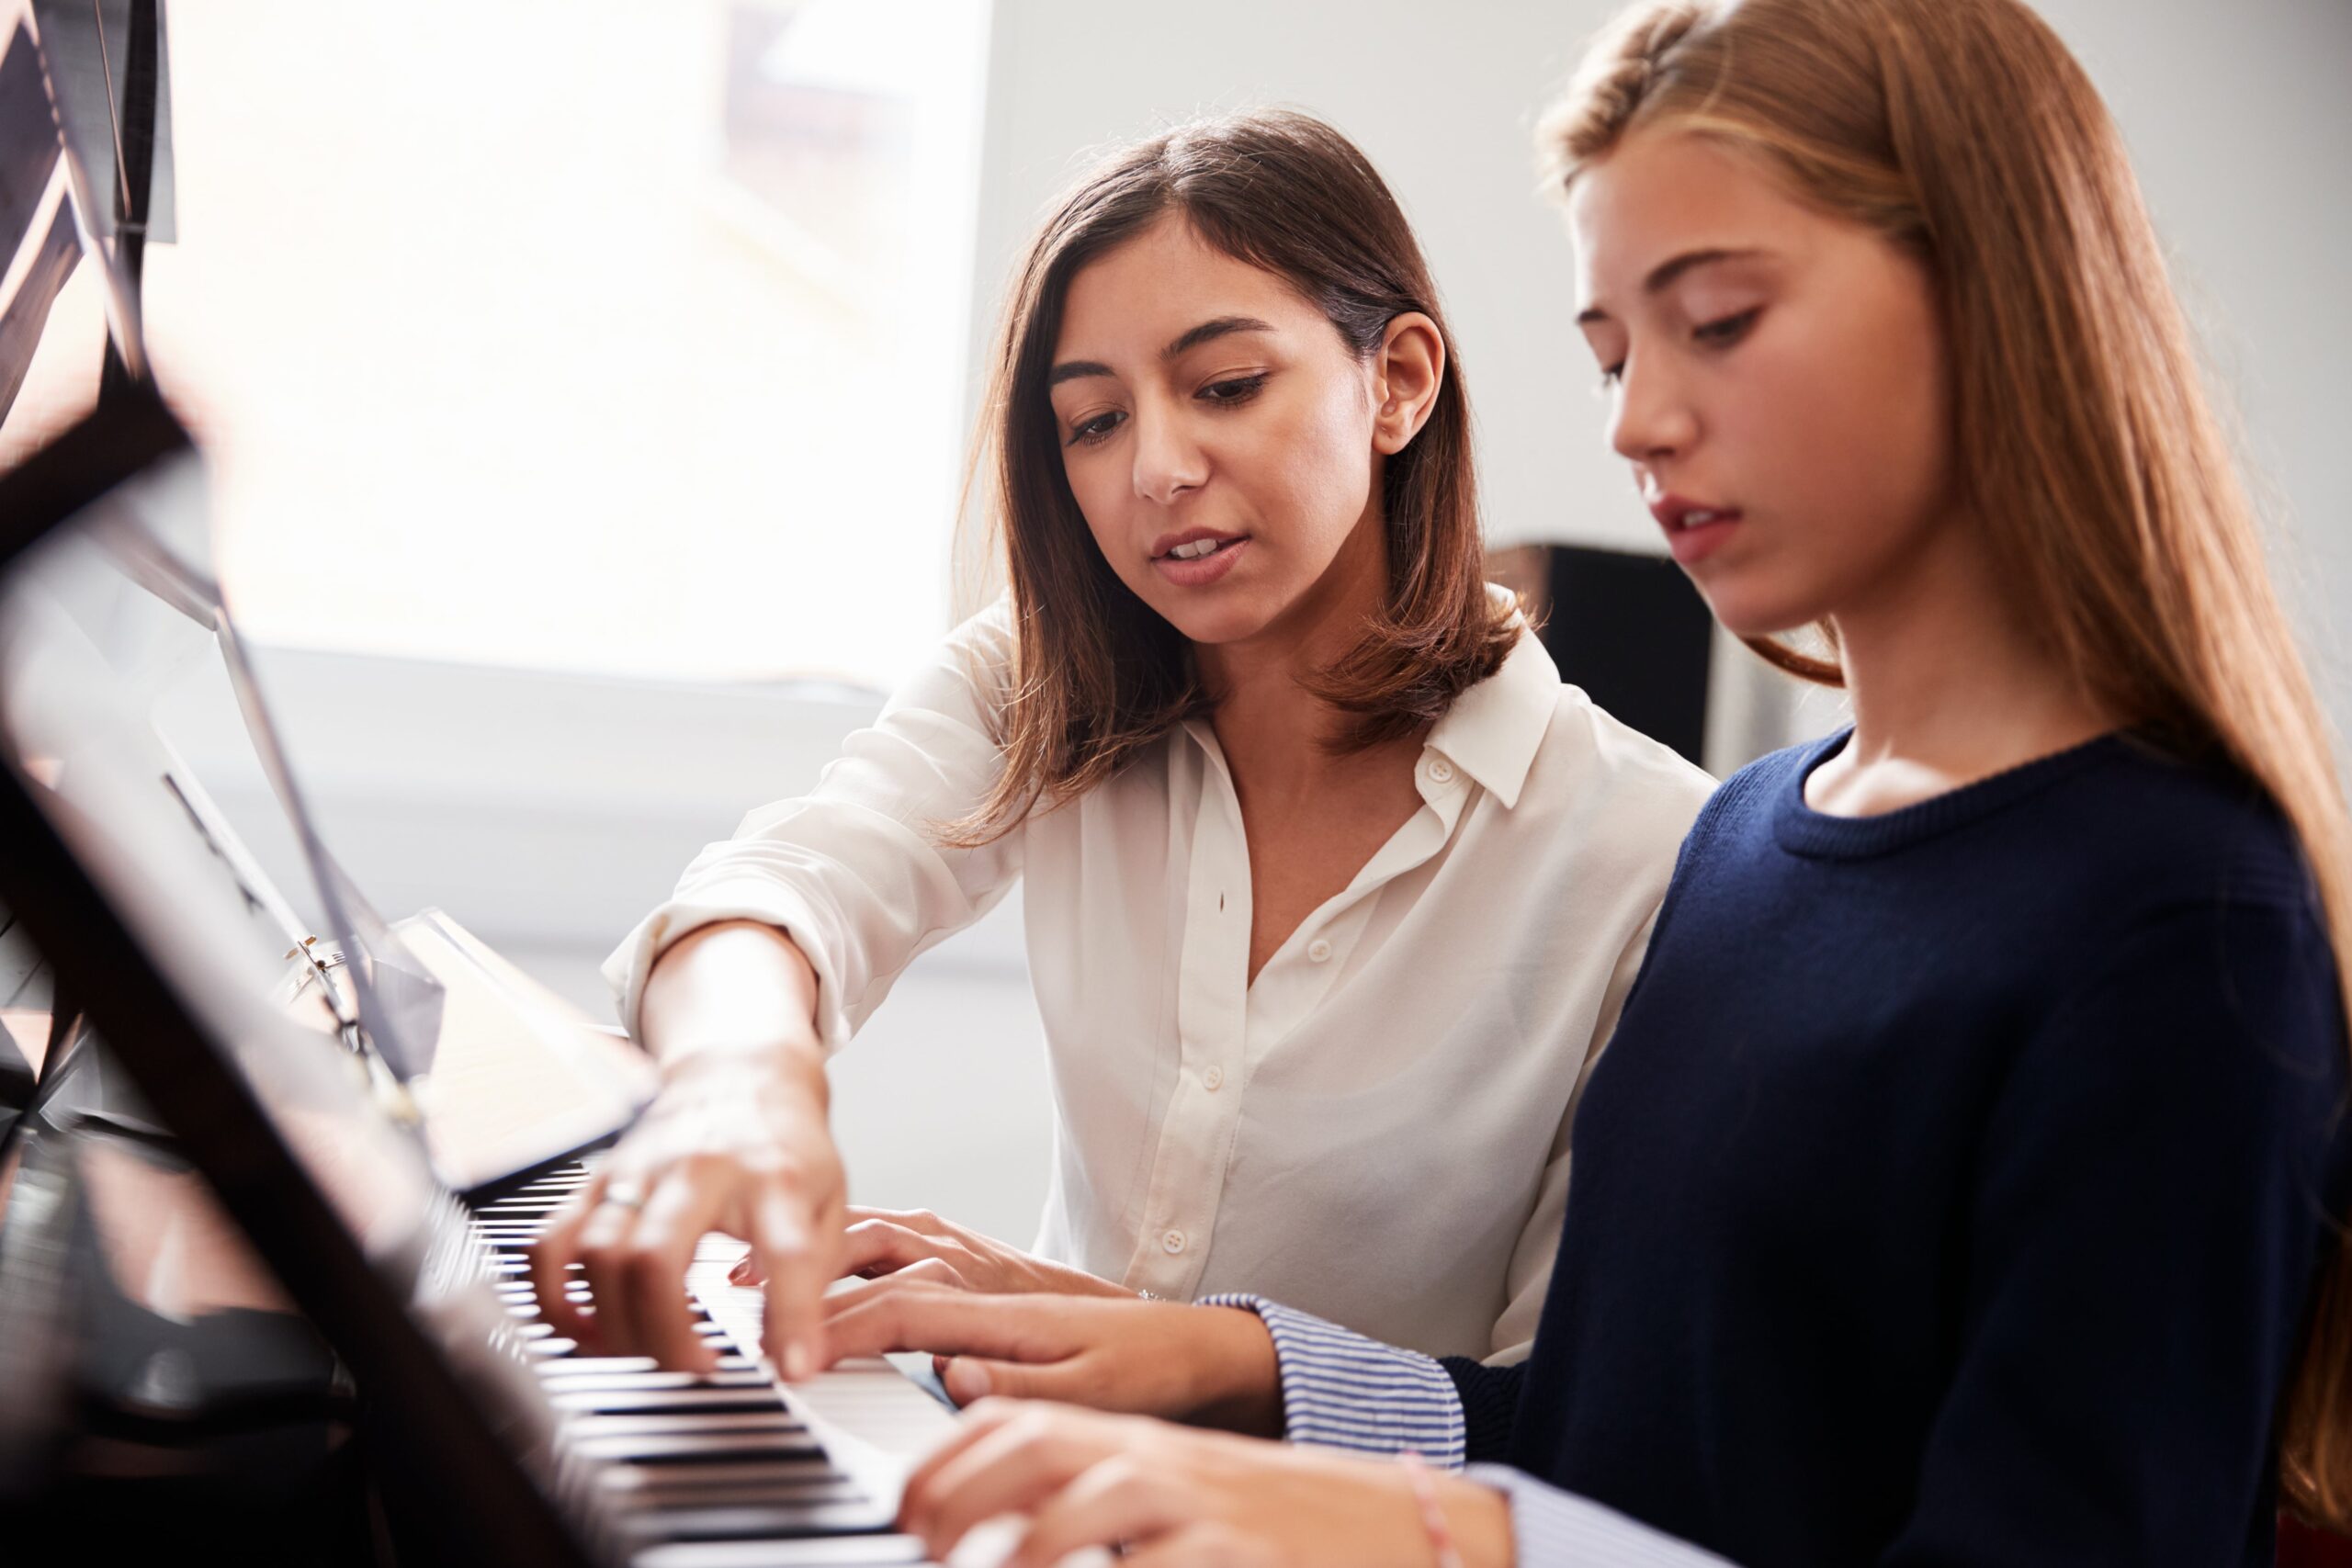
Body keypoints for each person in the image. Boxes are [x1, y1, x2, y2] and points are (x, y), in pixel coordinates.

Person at [815, 0, 2352, 1562]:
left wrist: (1435, 1538)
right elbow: (1605, 1445)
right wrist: (1222, 1364)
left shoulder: (2180, 915)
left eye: (1721, 321)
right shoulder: (1758, 844)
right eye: (1611, 350)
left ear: (1993, 298)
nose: (1634, 422)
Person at [526, 109, 1713, 1382]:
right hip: (1014, 1475)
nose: (1154, 468)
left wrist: (1171, 1355)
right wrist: (739, 1083)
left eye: (1227, 387)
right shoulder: (1045, 686)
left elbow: (1570, 1420)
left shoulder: (1647, 854)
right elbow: (789, 889)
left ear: (1401, 382)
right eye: (1092, 421)